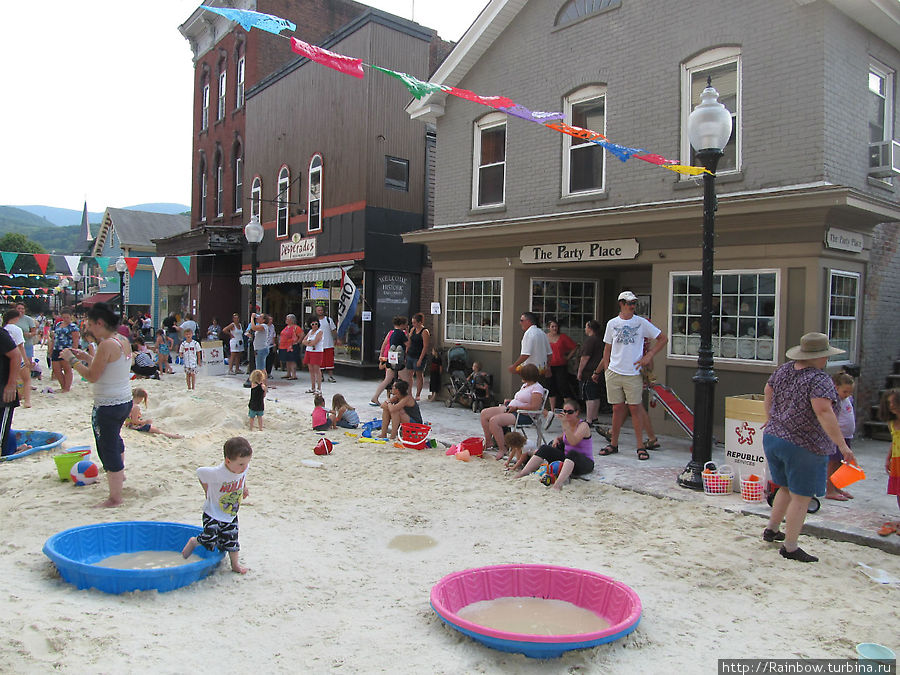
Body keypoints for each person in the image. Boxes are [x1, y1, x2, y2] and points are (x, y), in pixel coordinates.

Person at [762, 332, 856, 562]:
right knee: (802, 496)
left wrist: (770, 416)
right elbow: (823, 411)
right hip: (804, 443)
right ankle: (790, 546)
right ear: (820, 356)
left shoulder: (784, 369)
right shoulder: (819, 379)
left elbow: (768, 390)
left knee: (784, 486)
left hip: (774, 436)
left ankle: (772, 529)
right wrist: (842, 445)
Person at [60, 302, 133, 507]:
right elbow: (110, 367)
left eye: (90, 324)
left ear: (100, 323)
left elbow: (92, 376)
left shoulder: (107, 344)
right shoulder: (122, 340)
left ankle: (115, 498)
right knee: (115, 439)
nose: (88, 329)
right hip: (123, 400)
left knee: (108, 447)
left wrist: (72, 360)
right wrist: (87, 357)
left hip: (108, 404)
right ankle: (120, 475)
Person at [595, 291, 667, 461]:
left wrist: (649, 355)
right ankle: (614, 443)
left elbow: (663, 338)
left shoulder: (641, 323)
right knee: (617, 408)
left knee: (635, 408)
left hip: (633, 372)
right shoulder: (612, 323)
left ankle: (640, 446)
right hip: (614, 371)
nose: (632, 306)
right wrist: (607, 369)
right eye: (629, 303)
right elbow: (607, 347)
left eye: (634, 303)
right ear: (621, 304)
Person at [181, 436, 252, 574]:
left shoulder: (243, 468)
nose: (245, 467)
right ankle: (193, 542)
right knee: (209, 539)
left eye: (247, 463)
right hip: (212, 512)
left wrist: (244, 487)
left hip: (230, 513)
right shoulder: (217, 473)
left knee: (232, 540)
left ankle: (235, 565)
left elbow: (242, 476)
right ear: (228, 461)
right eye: (241, 464)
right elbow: (199, 472)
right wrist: (206, 490)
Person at [515, 398, 595, 490]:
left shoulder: (583, 425)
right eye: (565, 412)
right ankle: (523, 473)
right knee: (545, 448)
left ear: (576, 413)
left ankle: (558, 484)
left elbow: (573, 441)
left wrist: (565, 425)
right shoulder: (568, 424)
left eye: (570, 412)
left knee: (572, 453)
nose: (567, 414)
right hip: (568, 460)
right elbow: (563, 437)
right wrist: (557, 439)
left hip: (584, 462)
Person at [480, 364, 546, 461]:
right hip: (513, 408)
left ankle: (503, 449)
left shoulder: (537, 388)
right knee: (484, 413)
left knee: (494, 421)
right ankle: (489, 442)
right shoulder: (525, 385)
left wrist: (516, 407)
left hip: (523, 414)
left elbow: (535, 406)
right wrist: (510, 401)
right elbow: (521, 399)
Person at [826, 372, 855, 501]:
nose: (847, 394)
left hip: (847, 436)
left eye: (850, 392)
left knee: (840, 463)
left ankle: (837, 487)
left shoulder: (847, 399)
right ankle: (829, 490)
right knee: (832, 463)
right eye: (845, 391)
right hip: (837, 437)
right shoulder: (834, 400)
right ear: (836, 387)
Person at [370, 316, 408, 406]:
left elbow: (385, 343)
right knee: (406, 380)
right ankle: (408, 398)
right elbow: (408, 344)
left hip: (391, 357)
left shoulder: (391, 332)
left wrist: (381, 355)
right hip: (399, 358)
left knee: (387, 379)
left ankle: (375, 396)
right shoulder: (402, 333)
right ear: (402, 325)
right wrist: (408, 334)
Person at [878, 389, 900, 536]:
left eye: (894, 402)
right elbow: (894, 441)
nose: (891, 405)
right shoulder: (892, 422)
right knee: (899, 492)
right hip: (897, 460)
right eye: (889, 403)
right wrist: (888, 458)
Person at [545, 318, 577, 420]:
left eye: (556, 326)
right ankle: (552, 410)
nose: (554, 328)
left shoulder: (562, 337)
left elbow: (575, 347)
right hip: (549, 366)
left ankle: (567, 410)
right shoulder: (545, 338)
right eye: (552, 326)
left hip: (561, 365)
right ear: (548, 328)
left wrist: (568, 357)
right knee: (551, 387)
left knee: (563, 386)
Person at [0, 317, 22, 458]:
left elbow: (16, 356)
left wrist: (11, 384)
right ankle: (15, 448)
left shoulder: (1, 334)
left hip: (3, 390)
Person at [48, 309, 80, 393]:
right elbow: (54, 338)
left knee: (67, 369)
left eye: (68, 317)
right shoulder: (58, 324)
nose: (66, 319)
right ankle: (63, 386)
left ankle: (67, 388)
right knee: (56, 369)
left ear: (71, 317)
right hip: (56, 348)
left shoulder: (73, 327)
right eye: (64, 317)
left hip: (67, 349)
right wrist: (51, 349)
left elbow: (75, 340)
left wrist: (74, 351)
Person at [3, 310, 30, 408]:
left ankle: (18, 396)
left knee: (16, 379)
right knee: (26, 380)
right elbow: (20, 346)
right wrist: (26, 359)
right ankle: (27, 401)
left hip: (7, 359)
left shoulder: (4, 328)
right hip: (18, 357)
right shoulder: (17, 329)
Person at [406, 313, 431, 399]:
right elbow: (409, 341)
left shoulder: (424, 331)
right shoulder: (413, 329)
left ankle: (418, 394)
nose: (413, 324)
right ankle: (409, 393)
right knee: (409, 375)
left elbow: (425, 346)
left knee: (419, 374)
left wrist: (420, 359)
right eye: (412, 322)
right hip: (411, 354)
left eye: (415, 322)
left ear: (420, 322)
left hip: (418, 355)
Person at [315, 305, 338, 383]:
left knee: (329, 362)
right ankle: (320, 376)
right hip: (319, 345)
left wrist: (336, 339)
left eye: (321, 310)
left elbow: (334, 330)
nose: (320, 312)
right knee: (320, 362)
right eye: (318, 310)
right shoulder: (314, 322)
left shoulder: (328, 320)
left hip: (329, 344)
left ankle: (330, 376)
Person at [278, 314, 304, 380]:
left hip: (292, 346)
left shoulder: (296, 328)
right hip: (284, 346)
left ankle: (294, 375)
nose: (286, 320)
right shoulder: (286, 327)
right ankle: (288, 373)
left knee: (292, 360)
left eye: (288, 319)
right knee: (287, 360)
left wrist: (297, 342)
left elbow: (301, 335)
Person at [302, 319, 324, 395]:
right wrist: (309, 343)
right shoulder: (310, 332)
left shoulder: (320, 332)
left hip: (317, 352)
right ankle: (313, 387)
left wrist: (308, 342)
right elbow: (303, 341)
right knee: (311, 369)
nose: (314, 325)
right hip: (309, 351)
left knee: (317, 369)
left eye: (316, 324)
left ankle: (319, 388)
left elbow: (315, 342)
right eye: (312, 324)